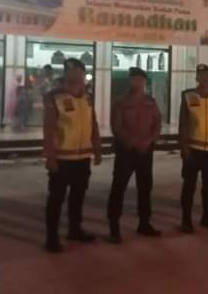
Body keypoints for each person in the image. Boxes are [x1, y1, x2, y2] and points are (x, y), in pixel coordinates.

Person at [43, 58, 102, 253]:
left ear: (83, 74)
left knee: (78, 197)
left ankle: (75, 230)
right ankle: (51, 238)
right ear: (66, 74)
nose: (75, 75)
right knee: (56, 199)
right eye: (71, 71)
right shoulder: (55, 97)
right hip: (62, 158)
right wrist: (50, 157)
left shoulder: (88, 97)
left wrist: (97, 148)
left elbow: (93, 123)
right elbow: (49, 129)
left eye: (78, 71)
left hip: (82, 158)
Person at [106, 67, 162, 244]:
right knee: (119, 188)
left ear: (144, 82)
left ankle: (144, 223)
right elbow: (117, 127)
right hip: (126, 151)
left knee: (145, 188)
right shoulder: (120, 102)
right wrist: (132, 142)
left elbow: (157, 123)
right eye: (133, 79)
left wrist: (150, 140)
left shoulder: (151, 102)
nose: (136, 83)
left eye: (139, 80)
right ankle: (114, 227)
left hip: (145, 151)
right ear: (129, 81)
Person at [178, 64, 208, 233]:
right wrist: (183, 147)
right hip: (193, 148)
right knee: (189, 186)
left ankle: (207, 217)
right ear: (197, 78)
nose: (206, 79)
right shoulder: (188, 95)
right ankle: (186, 220)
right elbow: (183, 123)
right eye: (202, 76)